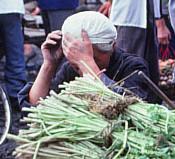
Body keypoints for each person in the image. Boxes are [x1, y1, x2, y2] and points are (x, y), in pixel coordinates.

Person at [19, 11, 153, 107]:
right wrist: (49, 64)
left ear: (112, 47)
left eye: (94, 58)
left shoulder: (133, 67)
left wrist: (87, 64)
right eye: (76, 62)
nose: (80, 68)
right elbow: (35, 106)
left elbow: (126, 106)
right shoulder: (70, 69)